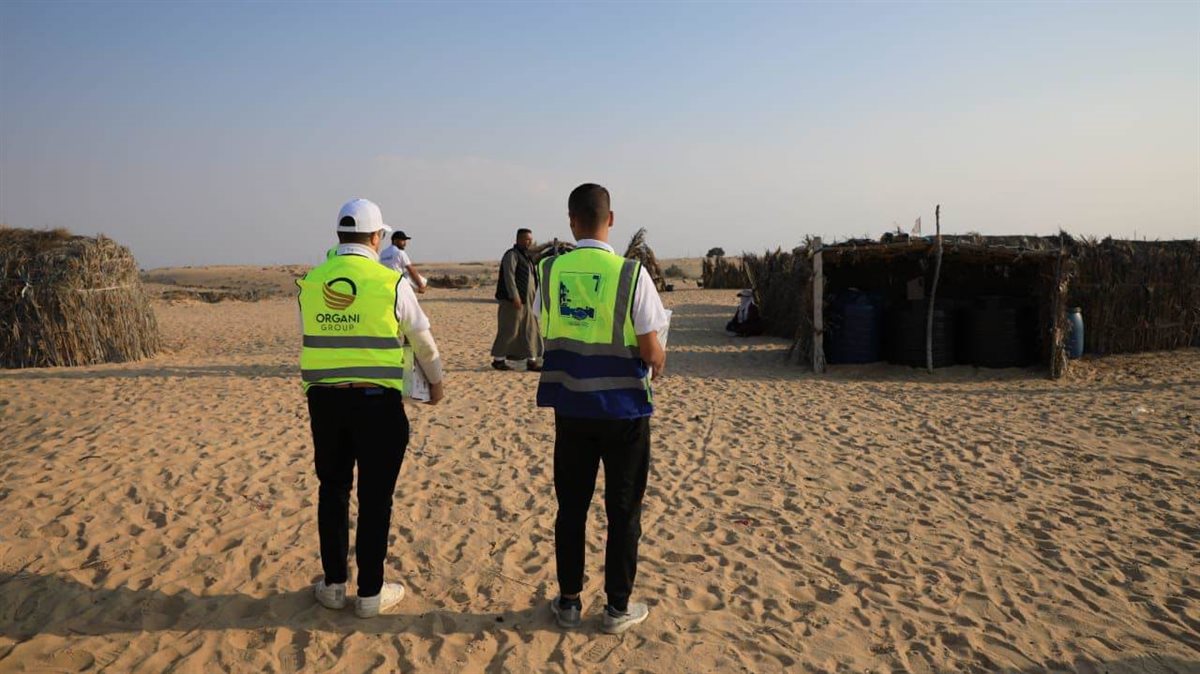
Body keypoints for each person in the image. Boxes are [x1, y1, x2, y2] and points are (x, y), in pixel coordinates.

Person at [297, 198, 446, 618]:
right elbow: (422, 341)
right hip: (377, 405)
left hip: (325, 403)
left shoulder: (311, 282)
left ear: (339, 235)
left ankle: (332, 585)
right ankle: (369, 593)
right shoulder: (390, 282)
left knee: (332, 490)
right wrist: (435, 384)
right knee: (376, 499)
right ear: (377, 237)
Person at [534, 183, 668, 634]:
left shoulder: (550, 271)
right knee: (624, 511)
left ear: (571, 221)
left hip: (571, 408)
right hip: (624, 411)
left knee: (571, 507)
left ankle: (569, 602)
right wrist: (658, 360)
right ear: (610, 219)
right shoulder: (631, 274)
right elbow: (650, 349)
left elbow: (543, 325)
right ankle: (616, 608)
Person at [491, 228, 543, 371]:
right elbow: (509, 277)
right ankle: (498, 360)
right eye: (527, 239)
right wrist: (515, 296)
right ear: (518, 240)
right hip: (513, 302)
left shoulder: (528, 257)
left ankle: (532, 360)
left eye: (531, 239)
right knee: (510, 330)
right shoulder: (512, 255)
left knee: (531, 330)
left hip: (529, 302)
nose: (530, 242)